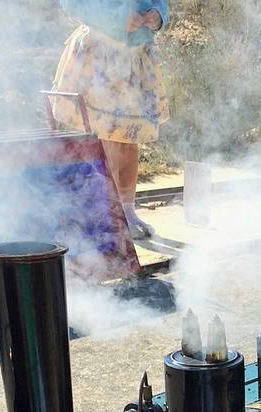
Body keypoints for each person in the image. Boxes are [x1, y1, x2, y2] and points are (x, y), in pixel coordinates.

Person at [53, 0, 170, 240]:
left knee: (128, 138)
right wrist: (117, 19)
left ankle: (126, 211)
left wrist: (158, 14)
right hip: (97, 55)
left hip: (136, 56)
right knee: (93, 137)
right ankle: (91, 211)